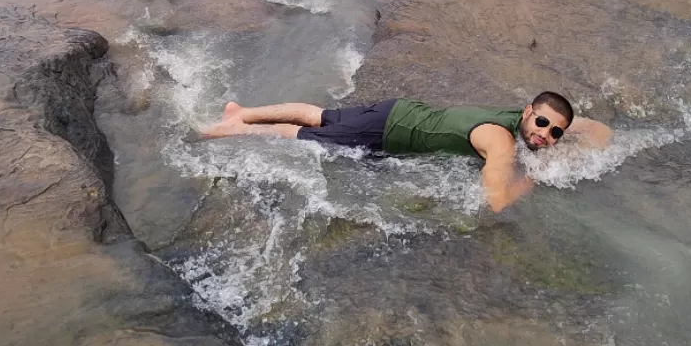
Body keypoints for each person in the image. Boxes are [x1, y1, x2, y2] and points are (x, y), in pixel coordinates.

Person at [200, 90, 606, 214]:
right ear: (527, 113)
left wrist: (576, 138)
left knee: (319, 115)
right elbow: (496, 200)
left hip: (400, 109)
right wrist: (535, 179)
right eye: (542, 124)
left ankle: (243, 111)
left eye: (556, 132)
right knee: (303, 135)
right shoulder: (501, 142)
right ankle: (236, 128)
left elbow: (597, 130)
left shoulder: (517, 119)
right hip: (391, 130)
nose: (545, 135)